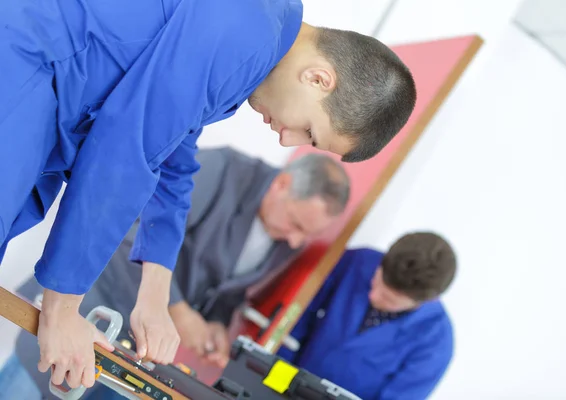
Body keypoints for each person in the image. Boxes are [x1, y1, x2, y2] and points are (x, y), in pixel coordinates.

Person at [0, 0, 416, 389]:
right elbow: (127, 150)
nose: (288, 140)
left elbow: (174, 160)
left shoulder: (259, 36)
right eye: (309, 131)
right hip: (26, 66)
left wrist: (156, 296)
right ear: (318, 78)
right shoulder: (243, 30)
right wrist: (62, 310)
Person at [0, 147, 351, 399]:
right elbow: (132, 236)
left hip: (138, 355)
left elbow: (229, 289)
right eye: (296, 224)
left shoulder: (287, 239)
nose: (295, 239)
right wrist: (180, 314)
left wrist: (215, 324)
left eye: (306, 234)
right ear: (281, 185)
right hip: (89, 305)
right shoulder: (223, 169)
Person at [277, 232, 457, 400]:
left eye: (389, 299)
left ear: (427, 301)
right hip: (285, 383)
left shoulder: (435, 344)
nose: (374, 296)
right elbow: (293, 321)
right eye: (376, 281)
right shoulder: (355, 262)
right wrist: (275, 386)